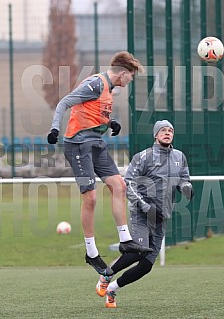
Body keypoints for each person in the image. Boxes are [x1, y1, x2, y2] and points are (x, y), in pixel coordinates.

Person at [47, 51, 152, 276]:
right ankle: (91, 253)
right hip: (78, 145)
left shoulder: (109, 90)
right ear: (123, 73)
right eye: (131, 76)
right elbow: (64, 102)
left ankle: (126, 240)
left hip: (96, 143)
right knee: (91, 198)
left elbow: (92, 112)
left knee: (119, 185)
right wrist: (55, 128)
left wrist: (110, 122)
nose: (131, 80)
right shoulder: (95, 84)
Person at [95, 119, 194, 308]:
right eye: (163, 130)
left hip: (162, 216)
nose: (167, 133)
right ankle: (106, 275)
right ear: (156, 135)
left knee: (146, 265)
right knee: (137, 252)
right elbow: (129, 183)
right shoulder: (143, 157)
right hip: (142, 213)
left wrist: (186, 187)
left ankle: (112, 289)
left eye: (170, 130)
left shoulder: (179, 156)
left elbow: (183, 178)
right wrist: (146, 206)